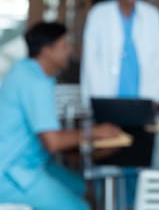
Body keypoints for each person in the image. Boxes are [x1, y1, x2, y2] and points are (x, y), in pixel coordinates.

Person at [0, 21, 122, 209]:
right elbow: (53, 142)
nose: (69, 51)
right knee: (81, 207)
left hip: (35, 162)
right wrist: (94, 132)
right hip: (13, 173)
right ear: (47, 51)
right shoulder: (35, 82)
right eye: (64, 46)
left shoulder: (23, 70)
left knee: (84, 187)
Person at [80, 0, 159, 104]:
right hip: (106, 88)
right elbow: (90, 59)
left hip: (142, 86)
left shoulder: (152, 15)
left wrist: (156, 94)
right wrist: (93, 95)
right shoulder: (98, 14)